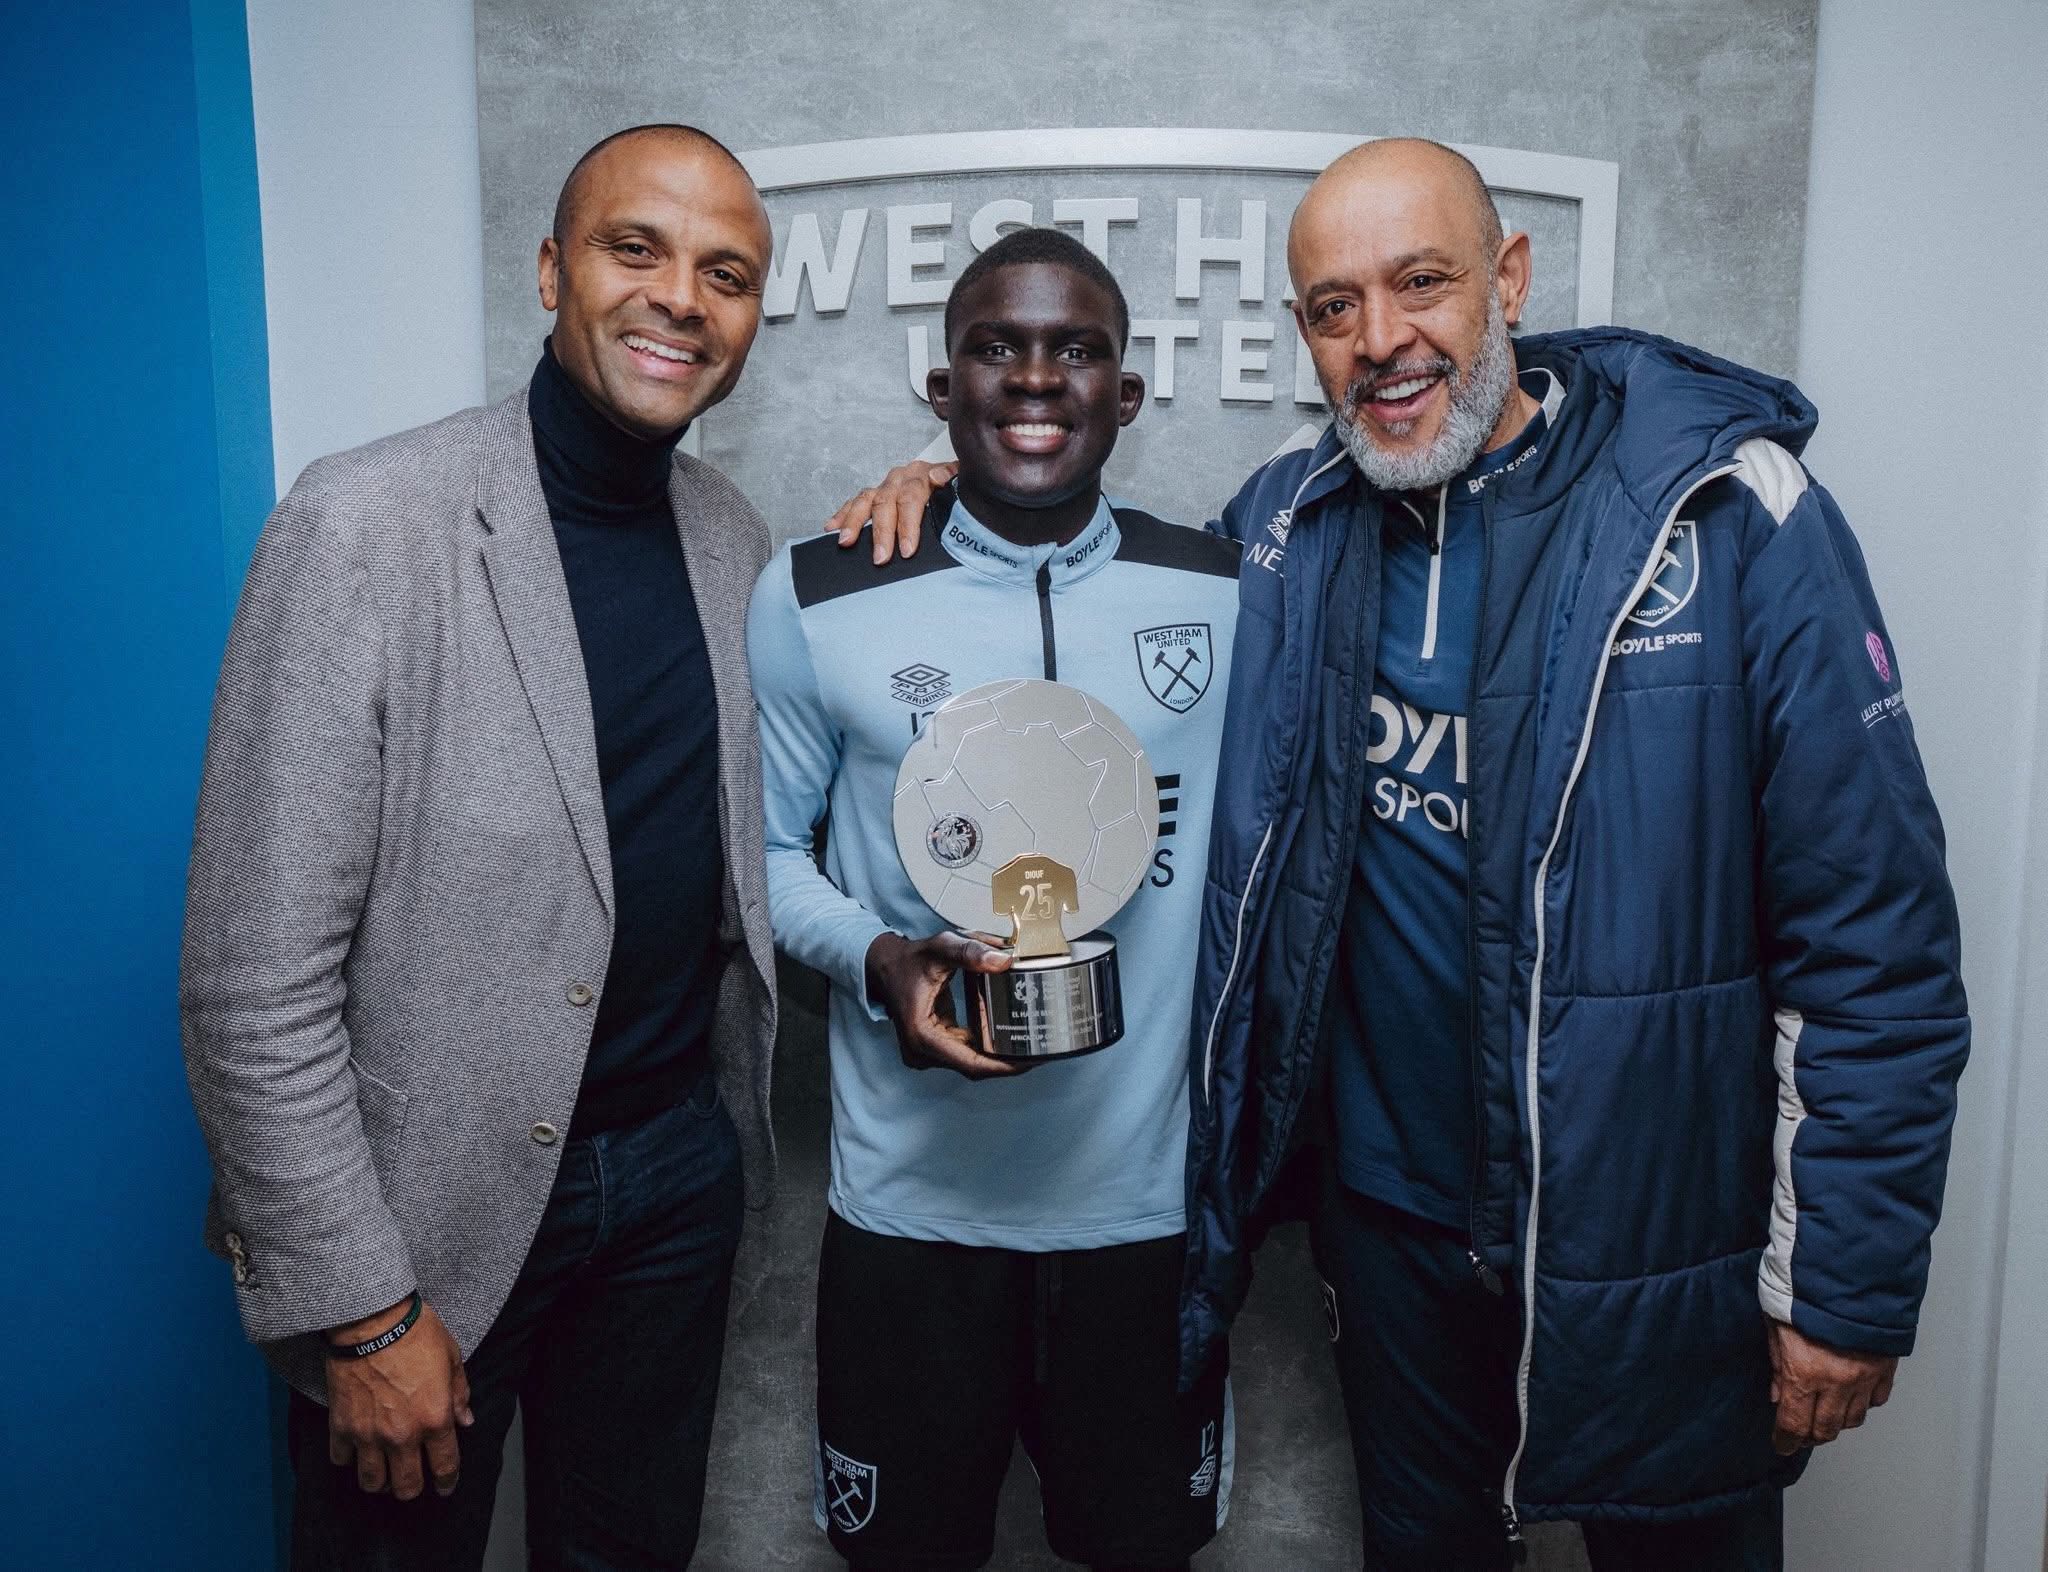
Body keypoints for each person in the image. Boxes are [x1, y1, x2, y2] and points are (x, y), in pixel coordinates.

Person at [825, 140, 1970, 1571]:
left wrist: (1845, 1283)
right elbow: (1098, 608)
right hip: (1389, 1236)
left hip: (1652, 1231)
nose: (1381, 340)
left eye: (1421, 282)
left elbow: (1875, 937)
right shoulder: (1284, 534)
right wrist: (964, 490)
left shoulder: (1726, 515)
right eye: (1334, 306)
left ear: (1509, 279)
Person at [181, 124, 779, 1570]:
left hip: (672, 1183)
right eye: (635, 249)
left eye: (727, 274)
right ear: (551, 271)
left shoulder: (732, 539)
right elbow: (248, 986)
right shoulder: (362, 525)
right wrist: (360, 1309)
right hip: (422, 1210)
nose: (681, 298)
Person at [750, 227, 1240, 1572]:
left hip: (1144, 1220)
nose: (1034, 378)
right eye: (994, 347)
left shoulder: (1227, 591)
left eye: (1075, 350)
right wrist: (879, 958)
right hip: (910, 1217)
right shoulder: (818, 590)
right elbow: (765, 858)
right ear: (942, 385)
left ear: (1126, 394)